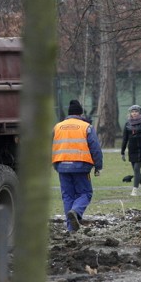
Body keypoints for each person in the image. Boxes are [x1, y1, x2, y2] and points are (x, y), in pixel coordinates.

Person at [52, 100, 103, 233]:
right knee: (85, 193)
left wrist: (55, 165)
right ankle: (76, 211)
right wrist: (98, 166)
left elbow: (52, 146)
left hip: (62, 165)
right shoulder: (86, 127)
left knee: (67, 196)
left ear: (68, 114)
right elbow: (95, 148)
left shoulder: (57, 126)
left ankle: (71, 229)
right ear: (80, 113)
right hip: (81, 165)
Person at [121, 105, 141, 196]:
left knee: (136, 169)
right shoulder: (127, 123)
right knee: (136, 171)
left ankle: (134, 190)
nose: (134, 113)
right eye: (132, 111)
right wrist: (122, 152)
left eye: (136, 111)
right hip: (132, 148)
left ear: (139, 112)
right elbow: (124, 138)